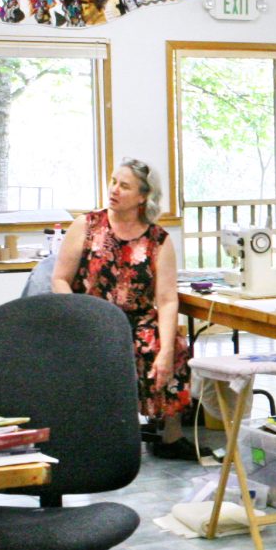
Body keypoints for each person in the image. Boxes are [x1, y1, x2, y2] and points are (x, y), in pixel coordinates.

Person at [53, 159, 188, 441]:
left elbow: (166, 300)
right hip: (90, 316)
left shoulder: (158, 239)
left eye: (124, 186)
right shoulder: (87, 225)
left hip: (136, 319)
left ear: (143, 196)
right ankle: (100, 430)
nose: (114, 190)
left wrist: (165, 352)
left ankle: (170, 436)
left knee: (169, 343)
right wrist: (77, 317)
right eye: (114, 182)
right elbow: (60, 279)